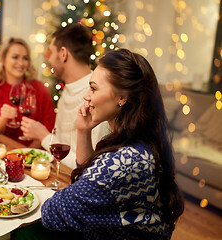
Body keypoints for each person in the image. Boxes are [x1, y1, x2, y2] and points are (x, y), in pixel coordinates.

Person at [38, 49, 184, 239]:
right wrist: (84, 131)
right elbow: (89, 174)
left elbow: (52, 215)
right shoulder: (140, 141)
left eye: (93, 88)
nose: (86, 96)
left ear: (122, 98)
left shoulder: (124, 162)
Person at [20, 23, 110, 169]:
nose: (49, 60)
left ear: (63, 53)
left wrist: (43, 136)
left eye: (51, 53)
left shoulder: (96, 96)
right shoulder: (68, 89)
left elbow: (88, 166)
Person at [0, 38, 56, 147]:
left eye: (25, 58)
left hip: (34, 155)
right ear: (3, 59)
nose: (21, 63)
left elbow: (49, 127)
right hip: (4, 153)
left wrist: (27, 153)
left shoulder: (39, 88)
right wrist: (3, 119)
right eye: (15, 57)